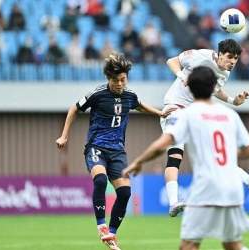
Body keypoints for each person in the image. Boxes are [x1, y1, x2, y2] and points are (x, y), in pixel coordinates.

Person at [123, 66, 249, 250]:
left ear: (191, 89)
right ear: (213, 88)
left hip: (207, 187)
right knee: (232, 244)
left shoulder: (188, 115)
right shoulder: (230, 115)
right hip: (233, 188)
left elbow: (161, 145)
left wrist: (138, 161)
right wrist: (223, 157)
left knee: (188, 245)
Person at [56, 53, 173, 250]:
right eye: (115, 80)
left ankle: (112, 234)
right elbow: (73, 109)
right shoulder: (97, 94)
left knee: (125, 192)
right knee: (100, 180)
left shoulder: (129, 95)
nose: (119, 84)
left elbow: (139, 105)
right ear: (108, 79)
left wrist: (160, 112)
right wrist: (64, 136)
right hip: (96, 147)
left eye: (123, 80)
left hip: (118, 151)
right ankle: (101, 225)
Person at [161, 38, 249, 216]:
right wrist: (182, 75)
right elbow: (172, 61)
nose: (232, 62)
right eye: (229, 57)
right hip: (174, 106)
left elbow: (215, 90)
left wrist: (233, 101)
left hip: (194, 113)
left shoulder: (225, 73)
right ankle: (174, 202)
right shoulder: (200, 57)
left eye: (236, 58)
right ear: (219, 54)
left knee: (214, 154)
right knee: (176, 154)